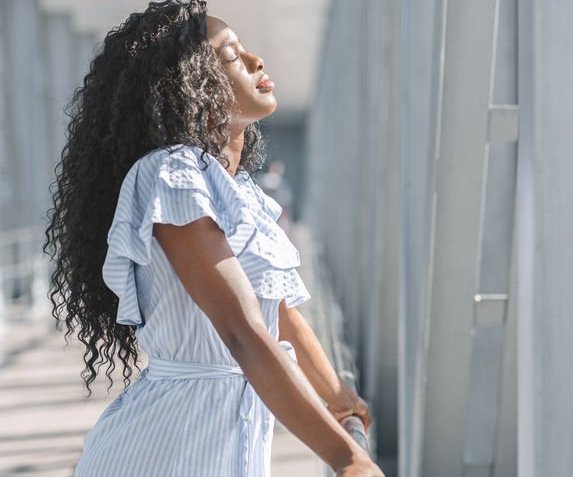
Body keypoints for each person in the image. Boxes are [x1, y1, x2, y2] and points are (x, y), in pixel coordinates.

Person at [42, 1, 384, 476]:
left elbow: (281, 316)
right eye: (230, 56)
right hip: (165, 449)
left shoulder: (241, 192)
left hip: (228, 444)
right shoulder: (171, 175)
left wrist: (336, 396)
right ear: (191, 83)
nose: (256, 61)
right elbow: (243, 332)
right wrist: (345, 458)